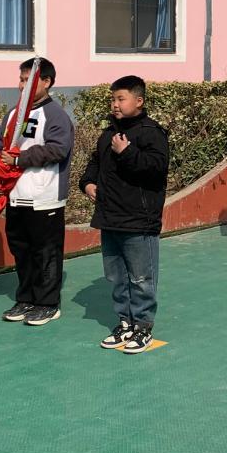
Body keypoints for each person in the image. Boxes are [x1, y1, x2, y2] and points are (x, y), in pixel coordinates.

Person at [81, 76, 169, 354]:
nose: (115, 104)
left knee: (141, 278)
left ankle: (143, 326)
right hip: (110, 218)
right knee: (116, 277)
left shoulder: (151, 133)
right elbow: (95, 163)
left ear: (139, 101)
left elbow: (156, 168)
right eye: (113, 99)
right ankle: (125, 322)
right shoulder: (108, 134)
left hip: (139, 221)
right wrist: (88, 182)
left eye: (121, 98)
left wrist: (127, 151)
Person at [0, 57, 75, 327]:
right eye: (21, 80)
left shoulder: (55, 115)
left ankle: (48, 304)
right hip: (15, 197)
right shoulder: (13, 114)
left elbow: (57, 149)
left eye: (28, 81)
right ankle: (26, 298)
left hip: (45, 198)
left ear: (46, 82)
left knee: (46, 253)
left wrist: (19, 159)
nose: (22, 86)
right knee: (22, 251)